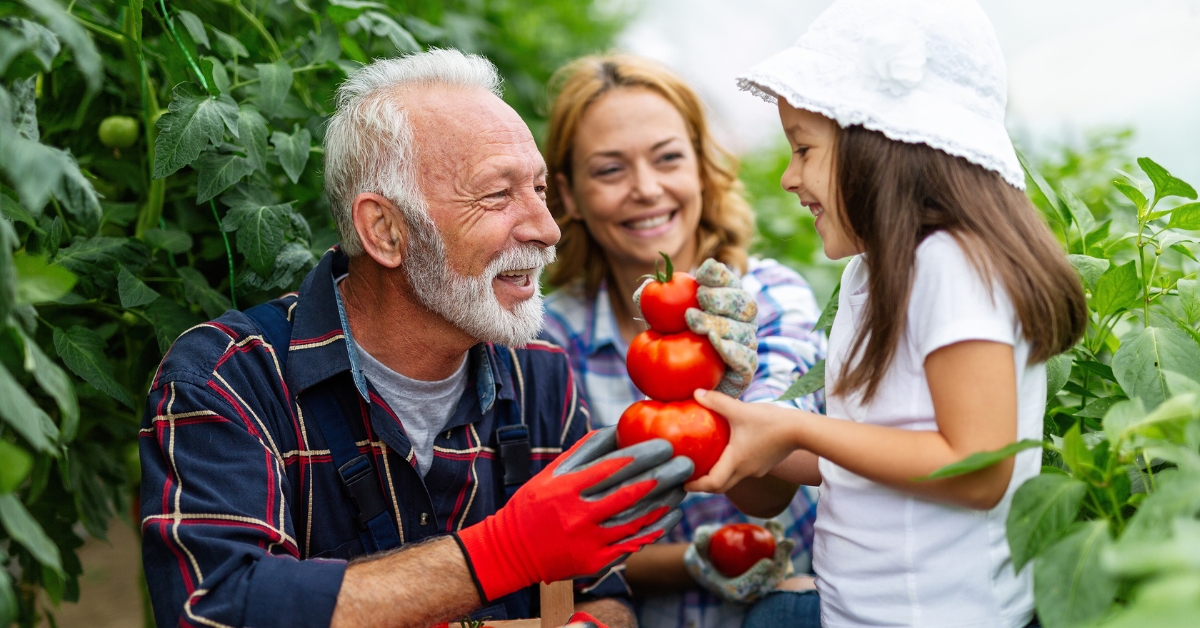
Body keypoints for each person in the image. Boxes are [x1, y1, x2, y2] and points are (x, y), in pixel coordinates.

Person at [138, 49, 697, 628]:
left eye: (538, 189)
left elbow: (603, 588)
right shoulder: (230, 378)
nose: (546, 228)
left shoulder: (540, 374)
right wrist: (506, 550)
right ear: (384, 230)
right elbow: (216, 609)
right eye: (497, 195)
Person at [686, 1, 1088, 626]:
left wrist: (797, 428)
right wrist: (749, 435)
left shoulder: (954, 265)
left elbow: (978, 466)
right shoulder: (870, 274)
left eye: (804, 150)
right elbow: (877, 451)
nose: (790, 177)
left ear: (881, 147)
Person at [538, 53, 827, 628]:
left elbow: (769, 498)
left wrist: (728, 381)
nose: (646, 189)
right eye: (609, 170)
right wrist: (692, 563)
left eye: (668, 158)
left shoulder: (770, 299)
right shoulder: (550, 339)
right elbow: (550, 549)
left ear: (701, 167)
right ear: (567, 195)